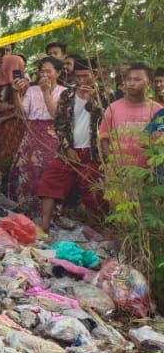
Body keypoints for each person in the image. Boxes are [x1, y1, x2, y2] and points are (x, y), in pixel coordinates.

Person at [37, 58, 107, 232]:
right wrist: (67, 148)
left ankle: (93, 227)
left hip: (93, 152)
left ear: (95, 75)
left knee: (91, 188)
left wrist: (92, 99)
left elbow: (106, 120)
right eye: (78, 76)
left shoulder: (104, 95)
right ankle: (44, 225)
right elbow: (60, 123)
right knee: (51, 181)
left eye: (85, 76)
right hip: (68, 149)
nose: (81, 80)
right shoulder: (67, 95)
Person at [7, 56, 66, 216]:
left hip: (53, 136)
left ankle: (49, 213)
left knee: (49, 171)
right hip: (32, 134)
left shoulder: (64, 92)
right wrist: (15, 93)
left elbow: (56, 115)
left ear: (58, 73)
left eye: (49, 71)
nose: (44, 75)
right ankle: (27, 209)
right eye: (42, 71)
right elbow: (22, 113)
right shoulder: (32, 90)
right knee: (27, 169)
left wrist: (46, 92)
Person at [98, 63, 164, 169]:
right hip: (118, 173)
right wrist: (112, 161)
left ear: (149, 83)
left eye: (137, 79)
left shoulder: (157, 110)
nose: (131, 83)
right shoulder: (112, 108)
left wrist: (151, 169)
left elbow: (160, 144)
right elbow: (103, 138)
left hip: (147, 173)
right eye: (129, 79)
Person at [0, 53, 28, 175]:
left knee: (14, 154)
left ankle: (10, 184)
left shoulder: (24, 84)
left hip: (16, 125)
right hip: (1, 126)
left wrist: (8, 107)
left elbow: (23, 108)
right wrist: (5, 107)